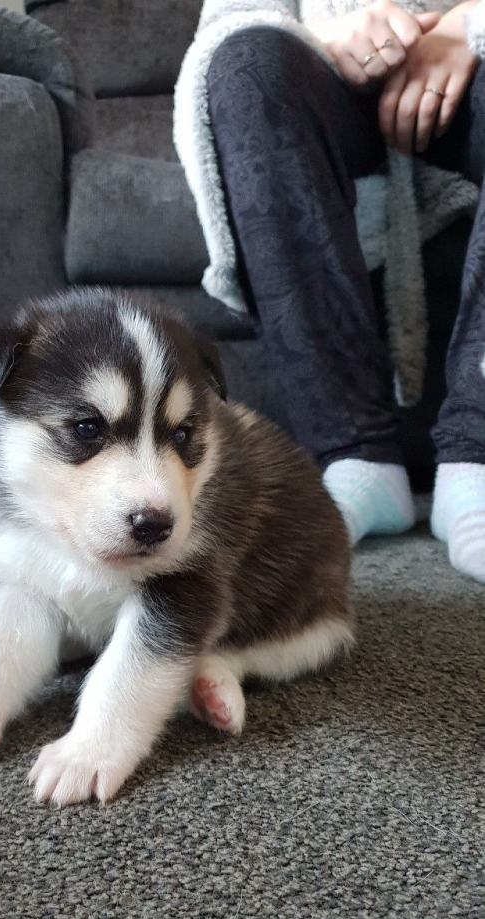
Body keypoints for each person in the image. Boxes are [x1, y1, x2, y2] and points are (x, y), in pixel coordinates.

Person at [175, 0, 485, 584]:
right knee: (245, 62)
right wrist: (329, 40)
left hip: (470, 80)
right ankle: (356, 456)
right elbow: (233, 17)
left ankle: (480, 461)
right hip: (325, 86)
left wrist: (465, 24)